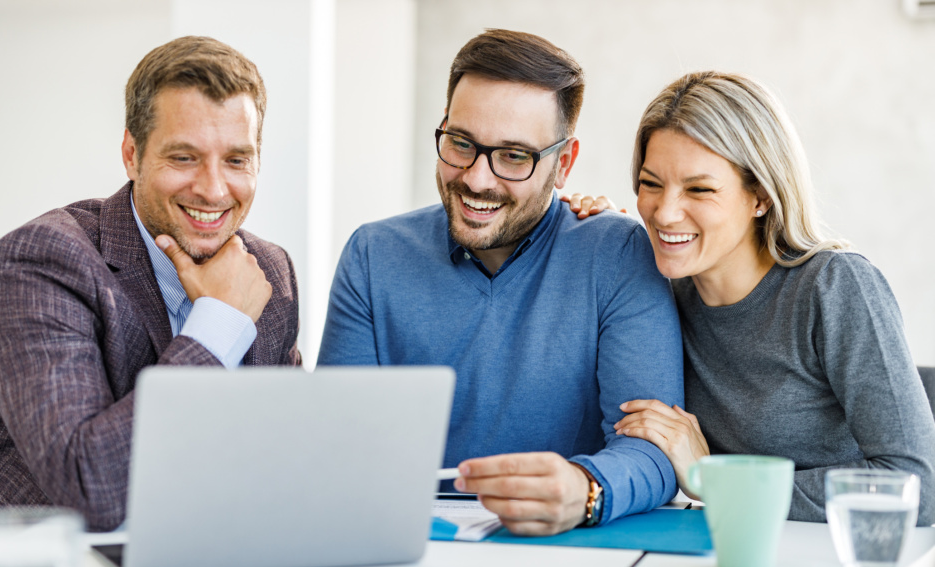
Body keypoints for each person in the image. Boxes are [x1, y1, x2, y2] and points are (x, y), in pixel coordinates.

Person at [318, 29, 684, 536]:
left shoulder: (620, 255)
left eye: (514, 156)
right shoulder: (373, 256)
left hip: (569, 552)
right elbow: (339, 443)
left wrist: (586, 488)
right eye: (461, 144)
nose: (477, 179)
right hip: (408, 549)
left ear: (563, 164)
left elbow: (655, 450)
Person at [0, 36, 301, 531]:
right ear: (132, 154)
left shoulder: (269, 272)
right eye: (184, 157)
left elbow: (289, 461)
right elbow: (89, 491)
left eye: (236, 160)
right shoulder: (39, 264)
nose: (214, 189)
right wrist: (219, 326)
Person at [610, 71, 935, 524]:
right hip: (730, 552)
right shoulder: (654, 293)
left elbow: (915, 485)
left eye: (698, 189)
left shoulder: (836, 286)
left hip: (837, 563)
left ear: (760, 196)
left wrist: (716, 481)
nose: (664, 212)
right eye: (650, 183)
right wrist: (585, 235)